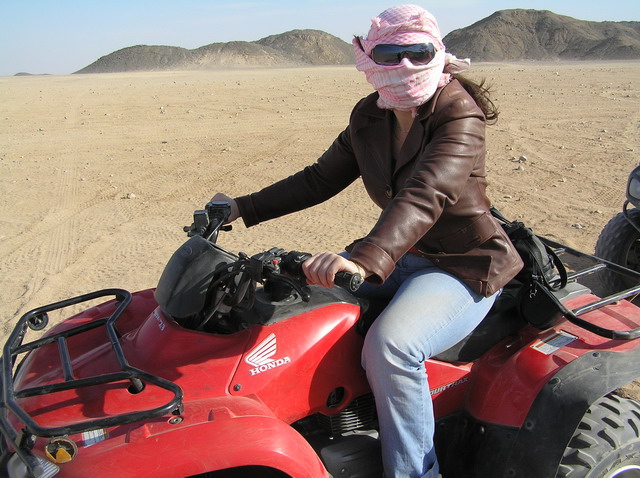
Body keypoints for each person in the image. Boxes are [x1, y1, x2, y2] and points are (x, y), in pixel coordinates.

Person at [212, 4, 523, 477]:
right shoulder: (369, 116)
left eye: (418, 53)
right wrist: (241, 206)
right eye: (390, 54)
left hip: (463, 264)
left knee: (392, 346)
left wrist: (363, 259)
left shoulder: (459, 113)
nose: (404, 66)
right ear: (367, 58)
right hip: (402, 254)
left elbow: (427, 193)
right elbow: (319, 178)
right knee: (297, 306)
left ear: (438, 53)